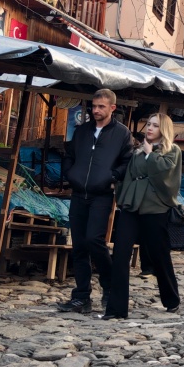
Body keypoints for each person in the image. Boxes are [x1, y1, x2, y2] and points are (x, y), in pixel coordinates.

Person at [56, 89, 132, 314]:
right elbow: (69, 155)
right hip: (79, 194)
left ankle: (109, 289)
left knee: (94, 241)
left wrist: (113, 176)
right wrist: (70, 174)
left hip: (101, 195)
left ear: (112, 108)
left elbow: (128, 160)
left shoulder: (122, 134)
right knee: (78, 246)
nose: (96, 110)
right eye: (94, 106)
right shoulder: (82, 131)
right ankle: (81, 297)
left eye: (101, 106)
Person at [101, 113, 182, 319]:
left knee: (159, 255)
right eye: (148, 124)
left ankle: (171, 299)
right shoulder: (137, 151)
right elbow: (129, 175)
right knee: (120, 254)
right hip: (131, 206)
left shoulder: (172, 151)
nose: (150, 128)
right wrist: (122, 197)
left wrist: (150, 155)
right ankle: (116, 309)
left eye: (155, 125)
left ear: (163, 129)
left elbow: (166, 174)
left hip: (155, 208)